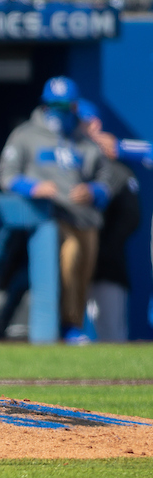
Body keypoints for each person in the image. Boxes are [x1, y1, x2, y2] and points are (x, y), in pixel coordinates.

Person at [0, 76, 112, 344]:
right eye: (55, 105)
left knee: (83, 271)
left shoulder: (84, 140)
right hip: (48, 217)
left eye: (66, 106)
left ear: (74, 107)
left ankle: (74, 324)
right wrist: (32, 187)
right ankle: (68, 326)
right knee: (69, 257)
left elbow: (107, 180)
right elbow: (6, 175)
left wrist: (93, 191)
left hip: (85, 217)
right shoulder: (25, 135)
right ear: (45, 106)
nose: (60, 112)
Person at [76, 100, 143, 342]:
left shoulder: (117, 171)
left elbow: (131, 217)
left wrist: (101, 249)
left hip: (107, 265)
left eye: (81, 122)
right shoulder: (66, 165)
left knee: (111, 334)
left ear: (94, 125)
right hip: (72, 262)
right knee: (73, 337)